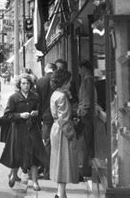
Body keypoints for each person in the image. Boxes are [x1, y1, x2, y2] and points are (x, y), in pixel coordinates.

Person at [0, 73, 48, 191]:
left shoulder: (35, 97)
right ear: (19, 85)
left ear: (31, 84)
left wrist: (37, 114)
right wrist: (20, 115)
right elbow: (7, 115)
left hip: (33, 129)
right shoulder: (14, 97)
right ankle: (14, 175)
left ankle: (35, 182)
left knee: (34, 154)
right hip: (18, 130)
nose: (26, 86)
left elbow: (41, 113)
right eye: (23, 83)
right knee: (17, 153)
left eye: (28, 83)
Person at [50, 69, 79, 198]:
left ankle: (60, 193)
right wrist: (71, 134)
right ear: (64, 82)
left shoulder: (56, 94)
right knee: (64, 161)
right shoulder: (61, 96)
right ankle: (61, 194)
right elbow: (65, 118)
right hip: (63, 130)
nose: (70, 84)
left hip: (56, 128)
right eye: (68, 82)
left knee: (59, 161)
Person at [36, 62, 57, 179]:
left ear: (46, 69)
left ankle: (46, 170)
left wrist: (38, 118)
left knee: (47, 143)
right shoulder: (57, 81)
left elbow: (38, 101)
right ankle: (54, 170)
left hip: (45, 116)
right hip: (58, 115)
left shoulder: (40, 81)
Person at [77, 60, 96, 178]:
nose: (79, 72)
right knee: (87, 144)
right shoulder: (90, 80)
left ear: (84, 68)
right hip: (88, 116)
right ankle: (87, 168)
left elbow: (86, 101)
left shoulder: (87, 81)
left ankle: (86, 170)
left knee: (86, 145)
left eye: (80, 69)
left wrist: (80, 112)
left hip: (87, 117)